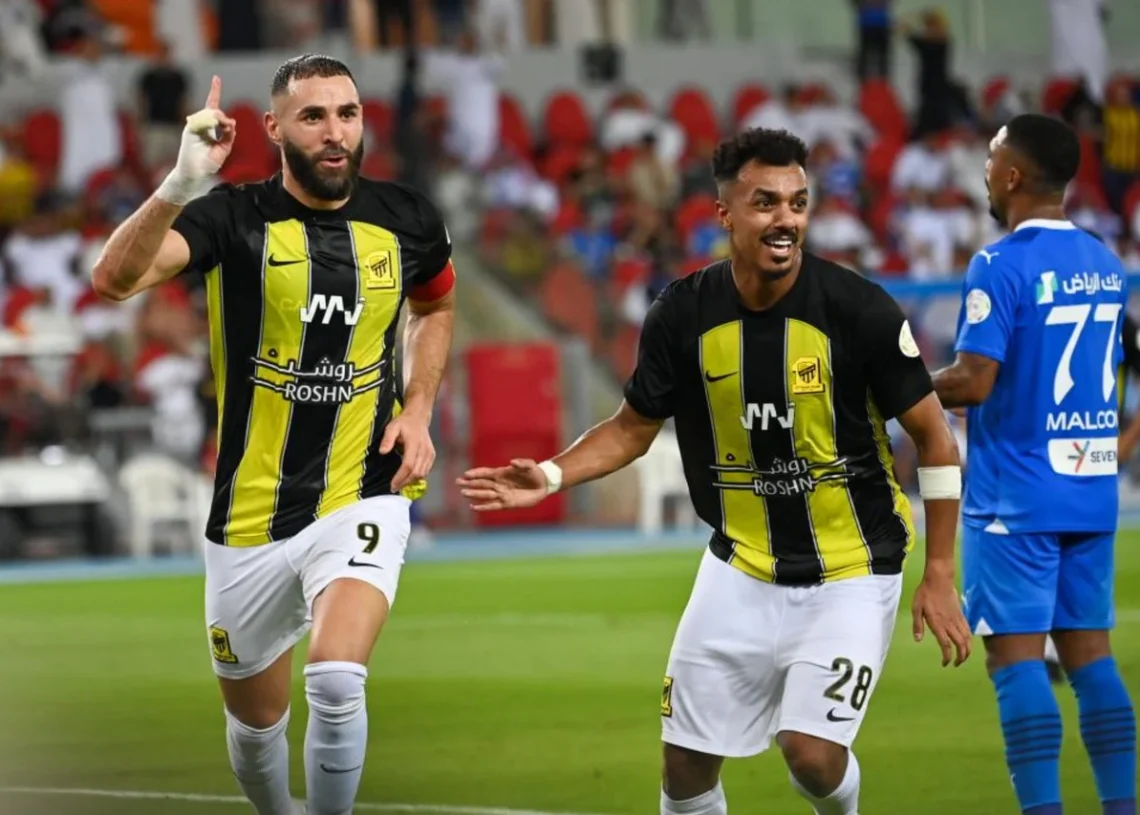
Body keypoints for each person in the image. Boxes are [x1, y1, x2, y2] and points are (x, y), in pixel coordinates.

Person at [458, 128, 971, 815]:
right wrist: (550, 476)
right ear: (724, 213)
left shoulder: (859, 309)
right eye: (765, 203)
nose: (785, 219)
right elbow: (631, 428)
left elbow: (936, 440)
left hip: (851, 570)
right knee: (685, 767)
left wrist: (938, 572)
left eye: (797, 203)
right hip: (739, 567)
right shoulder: (681, 314)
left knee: (812, 756)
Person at [91, 55, 457, 815]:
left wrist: (418, 405)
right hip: (249, 514)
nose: (334, 132)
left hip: (364, 486)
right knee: (257, 729)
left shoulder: (408, 218)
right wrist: (180, 183)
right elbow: (114, 279)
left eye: (347, 114)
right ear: (275, 128)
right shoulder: (232, 218)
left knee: (335, 677)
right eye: (313, 116)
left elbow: (435, 306)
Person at [931, 113, 1136, 815]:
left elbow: (973, 380)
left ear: (1013, 175)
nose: (986, 171)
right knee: (1092, 660)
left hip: (1015, 498)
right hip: (1090, 490)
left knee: (1015, 663)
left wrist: (898, 385)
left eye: (992, 159)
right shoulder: (1105, 262)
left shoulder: (999, 264)